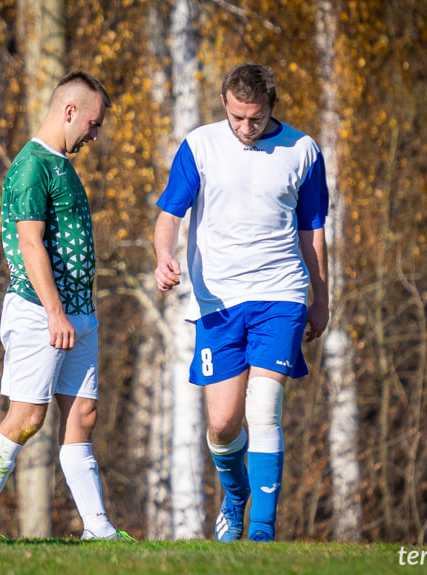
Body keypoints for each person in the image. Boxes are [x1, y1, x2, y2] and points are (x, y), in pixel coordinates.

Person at [153, 63, 329, 542]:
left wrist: (322, 298)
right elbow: (170, 212)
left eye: (253, 119)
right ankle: (235, 497)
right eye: (235, 118)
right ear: (225, 107)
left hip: (281, 293)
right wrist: (163, 254)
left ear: (272, 106)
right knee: (223, 423)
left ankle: (262, 533)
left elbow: (313, 230)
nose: (244, 128)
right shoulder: (200, 145)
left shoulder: (303, 150)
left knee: (264, 407)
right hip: (218, 301)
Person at [0, 71, 132, 541]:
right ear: (69, 111)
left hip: (77, 314)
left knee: (83, 416)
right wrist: (54, 311)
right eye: (93, 124)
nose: (96, 134)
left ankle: (98, 529)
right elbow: (30, 245)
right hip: (40, 312)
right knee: (28, 417)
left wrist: (74, 312)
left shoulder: (61, 165)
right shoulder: (31, 166)